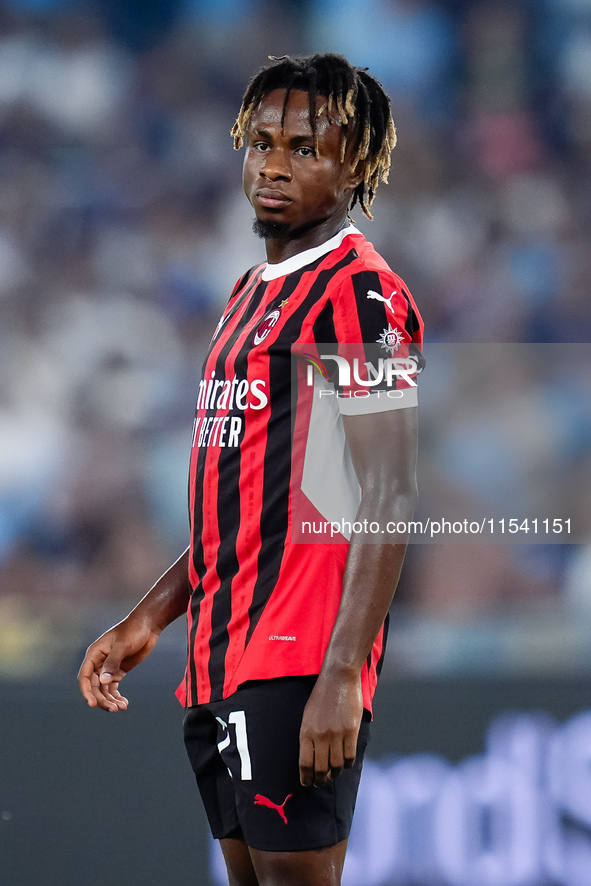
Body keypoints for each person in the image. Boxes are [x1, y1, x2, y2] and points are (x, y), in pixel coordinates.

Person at [78, 53, 423, 886]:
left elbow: (387, 492)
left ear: (355, 167)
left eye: (306, 148)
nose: (274, 162)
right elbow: (243, 500)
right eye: (261, 141)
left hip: (298, 660)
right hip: (221, 655)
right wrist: (152, 616)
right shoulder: (246, 294)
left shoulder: (359, 295)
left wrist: (341, 672)